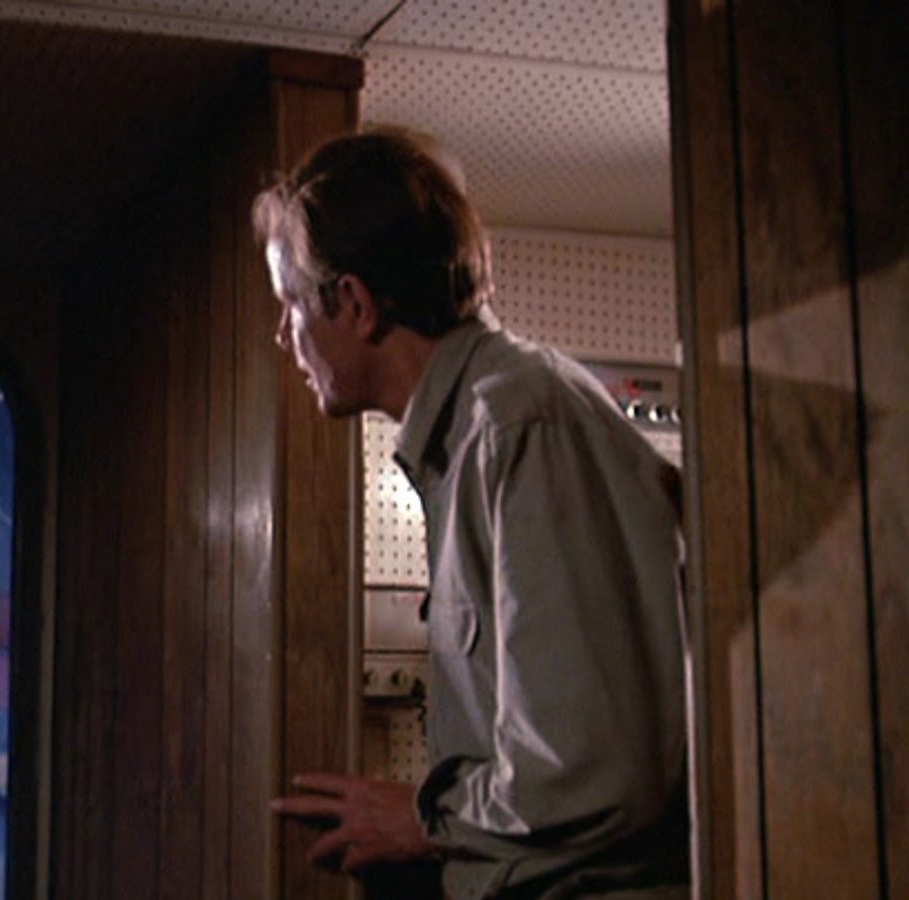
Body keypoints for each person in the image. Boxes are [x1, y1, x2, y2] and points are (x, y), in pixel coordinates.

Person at [258, 128, 689, 899]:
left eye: (291, 303)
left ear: (353, 304)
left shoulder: (514, 424)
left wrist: (424, 820)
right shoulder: (471, 436)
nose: (284, 334)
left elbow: (598, 771)